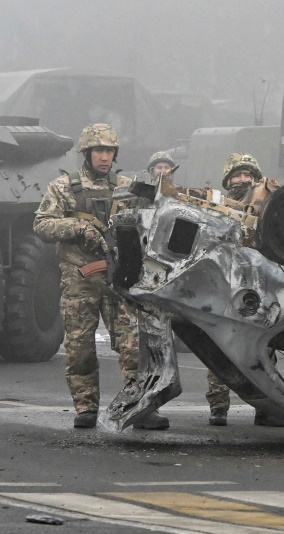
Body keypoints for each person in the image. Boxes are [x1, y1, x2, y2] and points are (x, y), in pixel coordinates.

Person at [34, 123, 169, 430]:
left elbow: (153, 217)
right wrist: (78, 228)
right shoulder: (65, 187)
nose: (104, 157)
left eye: (109, 151)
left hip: (118, 278)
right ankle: (86, 407)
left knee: (133, 348)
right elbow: (42, 225)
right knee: (80, 349)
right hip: (79, 279)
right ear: (87, 153)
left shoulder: (126, 186)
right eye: (98, 151)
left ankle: (140, 408)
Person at [205, 153, 284, 427]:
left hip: (260, 285)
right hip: (224, 284)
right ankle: (218, 406)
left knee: (264, 347)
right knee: (219, 343)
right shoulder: (213, 206)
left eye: (247, 175)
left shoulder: (268, 205)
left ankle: (266, 408)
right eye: (236, 175)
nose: (242, 180)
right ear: (228, 180)